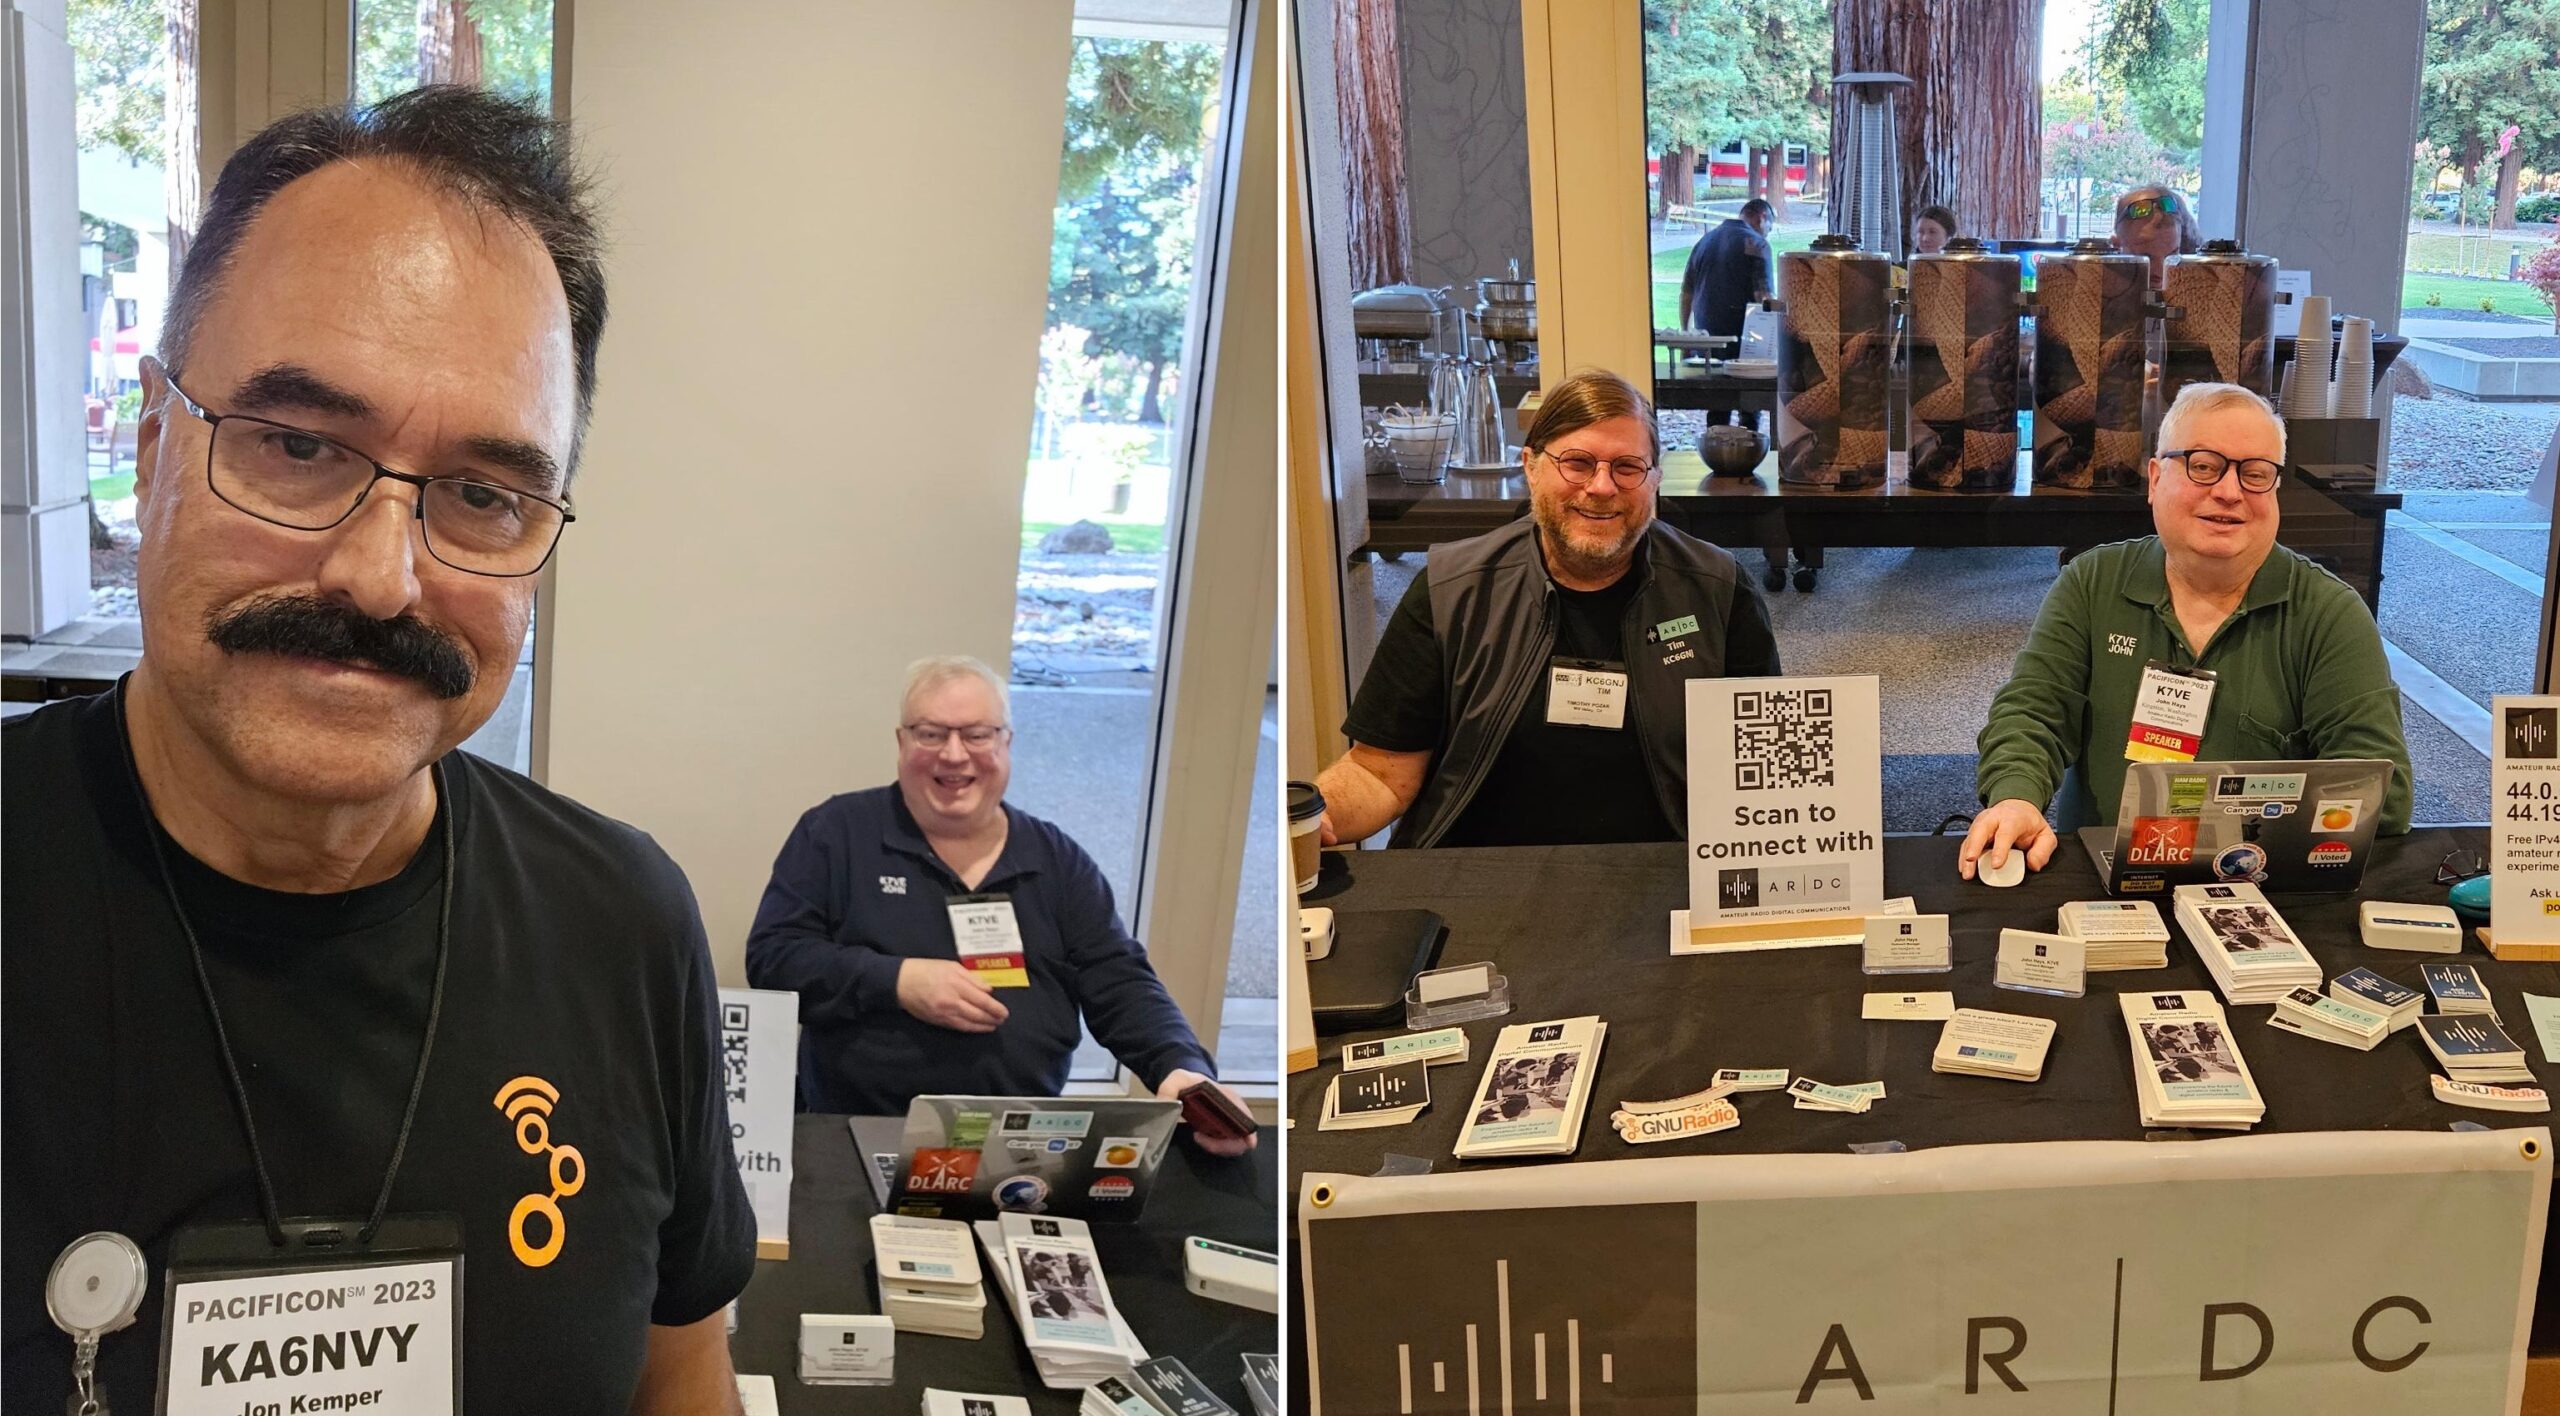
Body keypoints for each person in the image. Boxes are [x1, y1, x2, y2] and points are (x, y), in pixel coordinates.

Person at [2, 88, 756, 1411]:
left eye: (481, 495)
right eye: (297, 446)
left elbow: (680, 1369)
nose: (379, 577)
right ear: (149, 448)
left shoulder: (623, 928)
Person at [743, 657, 1254, 1155]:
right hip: (856, 1135)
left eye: (977, 735)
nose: (954, 754)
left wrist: (1180, 1066)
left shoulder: (1055, 860)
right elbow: (774, 958)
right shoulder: (836, 833)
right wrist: (899, 982)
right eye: (930, 733)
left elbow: (1117, 977)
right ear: (901, 743)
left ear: (1007, 743)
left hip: (1023, 1146)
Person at [1960, 383, 2413, 880]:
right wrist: (2016, 797)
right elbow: (2033, 712)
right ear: (2155, 479)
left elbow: (2380, 794)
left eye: (2256, 473)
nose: (2229, 491)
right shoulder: (2092, 583)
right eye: (2203, 465)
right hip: (2101, 878)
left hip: (2264, 886)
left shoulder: (2330, 613)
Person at [1316, 371, 1781, 849]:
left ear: (1654, 479)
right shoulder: (1451, 589)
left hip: (1664, 875)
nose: (1602, 487)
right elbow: (1381, 774)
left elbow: (1762, 765)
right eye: (1577, 463)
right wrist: (1315, 816)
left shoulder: (1718, 589)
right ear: (1531, 466)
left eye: (1627, 466)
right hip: (1477, 876)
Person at [1678, 196, 1775, 437]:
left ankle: (1717, 452)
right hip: (1745, 341)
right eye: (1770, 227)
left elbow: (1686, 292)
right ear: (1762, 218)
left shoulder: (1705, 240)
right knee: (1750, 407)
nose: (1768, 234)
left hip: (1708, 339)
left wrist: (1687, 335)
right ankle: (1747, 452)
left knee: (1717, 405)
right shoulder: (1756, 243)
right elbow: (1764, 298)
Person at [2112, 184, 2201, 287]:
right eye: (2146, 257)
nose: (2161, 272)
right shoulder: (2097, 293)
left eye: (2171, 256)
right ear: (2116, 247)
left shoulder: (2195, 291)